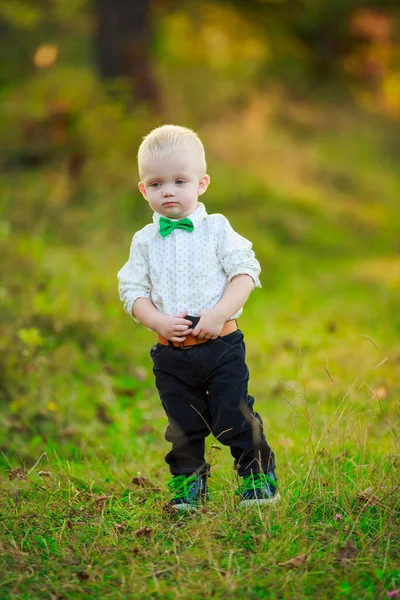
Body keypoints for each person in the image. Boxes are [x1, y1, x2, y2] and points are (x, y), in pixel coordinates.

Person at [118, 124, 279, 510]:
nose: (168, 190)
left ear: (201, 183)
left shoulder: (218, 229)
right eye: (156, 184)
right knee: (182, 424)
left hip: (221, 344)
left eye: (179, 181)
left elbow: (246, 273)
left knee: (232, 412)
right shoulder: (144, 241)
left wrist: (220, 312)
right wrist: (156, 320)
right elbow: (132, 291)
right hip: (172, 354)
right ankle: (189, 484)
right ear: (143, 189)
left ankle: (257, 475)